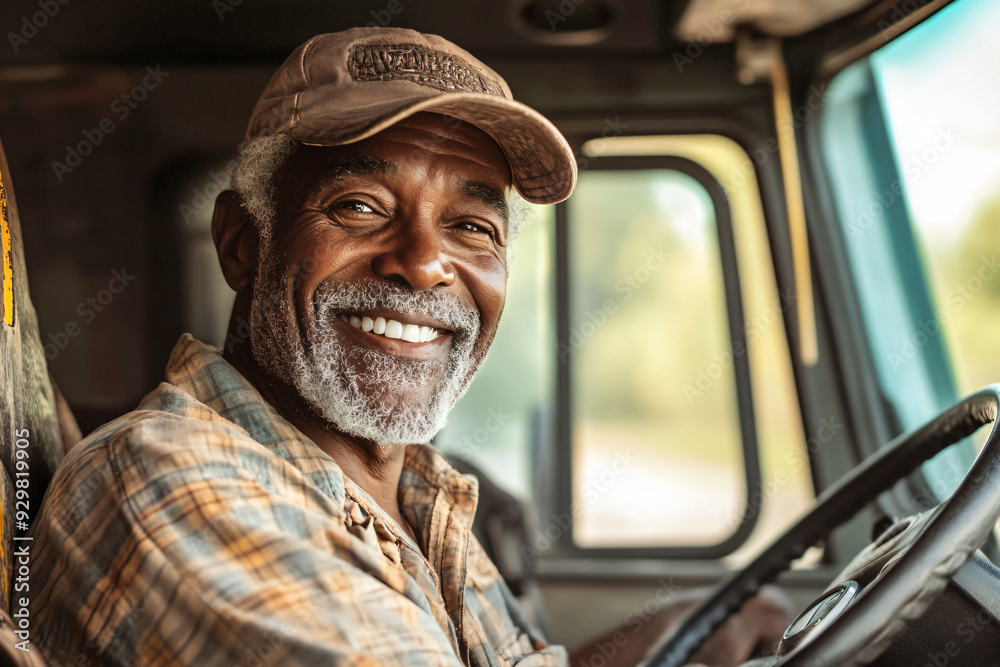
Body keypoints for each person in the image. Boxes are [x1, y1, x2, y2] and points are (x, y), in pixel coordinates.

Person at [28, 27, 793, 667]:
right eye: (359, 207)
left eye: (471, 226)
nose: (424, 262)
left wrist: (675, 637)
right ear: (242, 244)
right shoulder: (169, 479)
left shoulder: (422, 494)